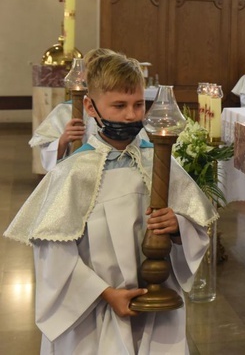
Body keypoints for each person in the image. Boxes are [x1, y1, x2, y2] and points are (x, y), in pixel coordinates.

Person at [5, 50, 218, 353]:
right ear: (90, 107)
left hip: (155, 307)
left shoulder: (159, 162)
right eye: (119, 106)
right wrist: (104, 293)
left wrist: (177, 227)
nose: (131, 115)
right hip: (90, 313)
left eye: (138, 104)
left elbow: (195, 226)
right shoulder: (72, 174)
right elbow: (52, 252)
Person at [30, 48, 117, 172]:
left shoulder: (122, 110)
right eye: (93, 72)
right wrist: (64, 139)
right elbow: (48, 158)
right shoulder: (66, 111)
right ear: (82, 75)